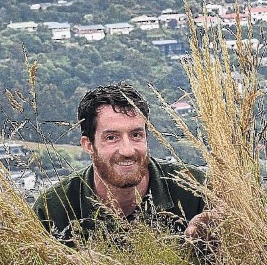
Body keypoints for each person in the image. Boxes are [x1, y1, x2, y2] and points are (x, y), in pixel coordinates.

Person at [33, 83, 216, 247]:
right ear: (88, 145)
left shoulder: (197, 189)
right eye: (111, 138)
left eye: (136, 135)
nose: (127, 150)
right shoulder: (51, 210)